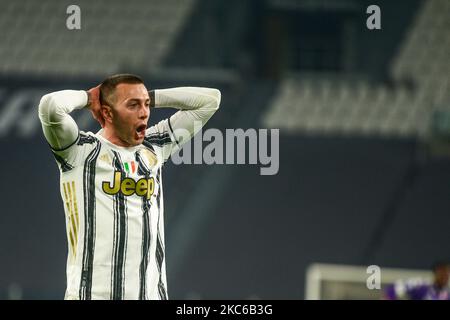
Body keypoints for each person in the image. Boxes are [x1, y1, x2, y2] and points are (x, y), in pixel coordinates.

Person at [38, 74, 221, 300]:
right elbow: (50, 107)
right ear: (107, 112)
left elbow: (210, 100)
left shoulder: (154, 147)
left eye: (146, 106)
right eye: (133, 106)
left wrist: (145, 97)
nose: (144, 113)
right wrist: (88, 97)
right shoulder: (80, 153)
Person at [383, 262, 450, 300]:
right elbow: (392, 290)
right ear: (436, 273)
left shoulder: (446, 295)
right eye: (442, 274)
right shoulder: (421, 285)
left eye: (447, 274)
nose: (445, 277)